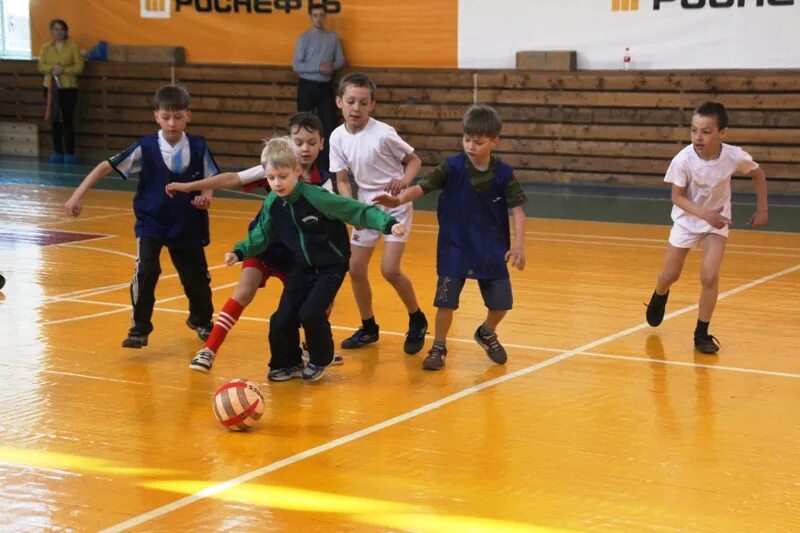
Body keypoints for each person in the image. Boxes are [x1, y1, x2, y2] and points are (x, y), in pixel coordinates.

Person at [165, 112, 342, 373]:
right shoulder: (274, 167)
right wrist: (189, 186)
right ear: (288, 141)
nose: (304, 148)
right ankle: (208, 351)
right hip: (265, 244)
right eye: (298, 141)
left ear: (321, 144)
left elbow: (336, 213)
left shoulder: (323, 182)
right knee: (244, 291)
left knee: (318, 302)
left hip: (298, 254)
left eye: (311, 142)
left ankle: (311, 348)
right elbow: (232, 179)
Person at [229, 137, 406, 382]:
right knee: (281, 317)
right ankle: (287, 362)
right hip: (301, 266)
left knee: (311, 313)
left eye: (282, 176)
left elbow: (355, 209)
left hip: (330, 265)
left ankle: (320, 358)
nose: (277, 183)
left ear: (297, 171)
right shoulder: (273, 203)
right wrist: (240, 251)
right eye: (271, 178)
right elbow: (261, 234)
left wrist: (389, 224)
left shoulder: (317, 197)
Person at [373, 104, 527, 370]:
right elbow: (421, 187)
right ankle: (439, 346)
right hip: (454, 247)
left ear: (495, 141)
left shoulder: (504, 174)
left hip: (491, 248)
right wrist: (398, 198)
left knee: (501, 304)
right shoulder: (452, 167)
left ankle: (486, 331)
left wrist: (519, 245)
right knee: (446, 303)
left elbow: (518, 210)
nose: (471, 146)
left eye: (478, 142)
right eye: (467, 139)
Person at [64, 85, 217, 349]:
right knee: (146, 270)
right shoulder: (144, 147)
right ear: (156, 116)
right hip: (152, 221)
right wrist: (77, 195)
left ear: (188, 116)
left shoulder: (199, 146)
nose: (172, 123)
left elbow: (211, 178)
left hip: (187, 220)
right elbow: (104, 166)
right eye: (166, 117)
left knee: (196, 277)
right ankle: (139, 328)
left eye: (178, 116)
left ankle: (201, 320)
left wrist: (207, 196)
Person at [645, 101, 768, 354]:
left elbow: (758, 174)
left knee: (709, 276)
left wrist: (763, 209)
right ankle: (660, 293)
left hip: (717, 221)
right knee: (670, 274)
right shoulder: (683, 160)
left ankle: (701, 333)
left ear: (722, 133)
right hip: (687, 220)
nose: (697, 137)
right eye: (693, 130)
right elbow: (677, 197)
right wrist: (704, 215)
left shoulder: (734, 156)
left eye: (705, 131)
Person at [329, 72, 428, 355]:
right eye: (350, 101)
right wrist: (352, 210)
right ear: (339, 102)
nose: (356, 108)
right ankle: (369, 327)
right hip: (365, 209)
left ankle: (417, 319)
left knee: (389, 270)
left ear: (371, 105)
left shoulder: (383, 133)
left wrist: (405, 183)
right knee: (355, 268)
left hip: (395, 206)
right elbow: (343, 180)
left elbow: (414, 160)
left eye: (363, 102)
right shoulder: (336, 137)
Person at [292, 2, 345, 171]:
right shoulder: (304, 38)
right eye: (315, 15)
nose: (319, 19)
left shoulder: (332, 37)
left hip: (325, 86)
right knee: (302, 123)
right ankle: (301, 162)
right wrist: (318, 67)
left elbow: (341, 60)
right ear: (311, 17)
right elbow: (297, 66)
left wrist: (332, 66)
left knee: (328, 125)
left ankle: (326, 165)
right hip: (307, 85)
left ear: (325, 17)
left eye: (321, 15)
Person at [37, 18, 84, 164]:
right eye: (56, 29)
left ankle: (69, 152)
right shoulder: (45, 48)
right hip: (51, 88)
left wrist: (64, 69)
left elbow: (79, 67)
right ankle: (57, 151)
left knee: (67, 120)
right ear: (51, 31)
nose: (59, 32)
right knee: (55, 120)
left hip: (68, 88)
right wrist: (52, 68)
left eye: (62, 29)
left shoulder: (73, 47)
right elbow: (41, 66)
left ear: (66, 31)